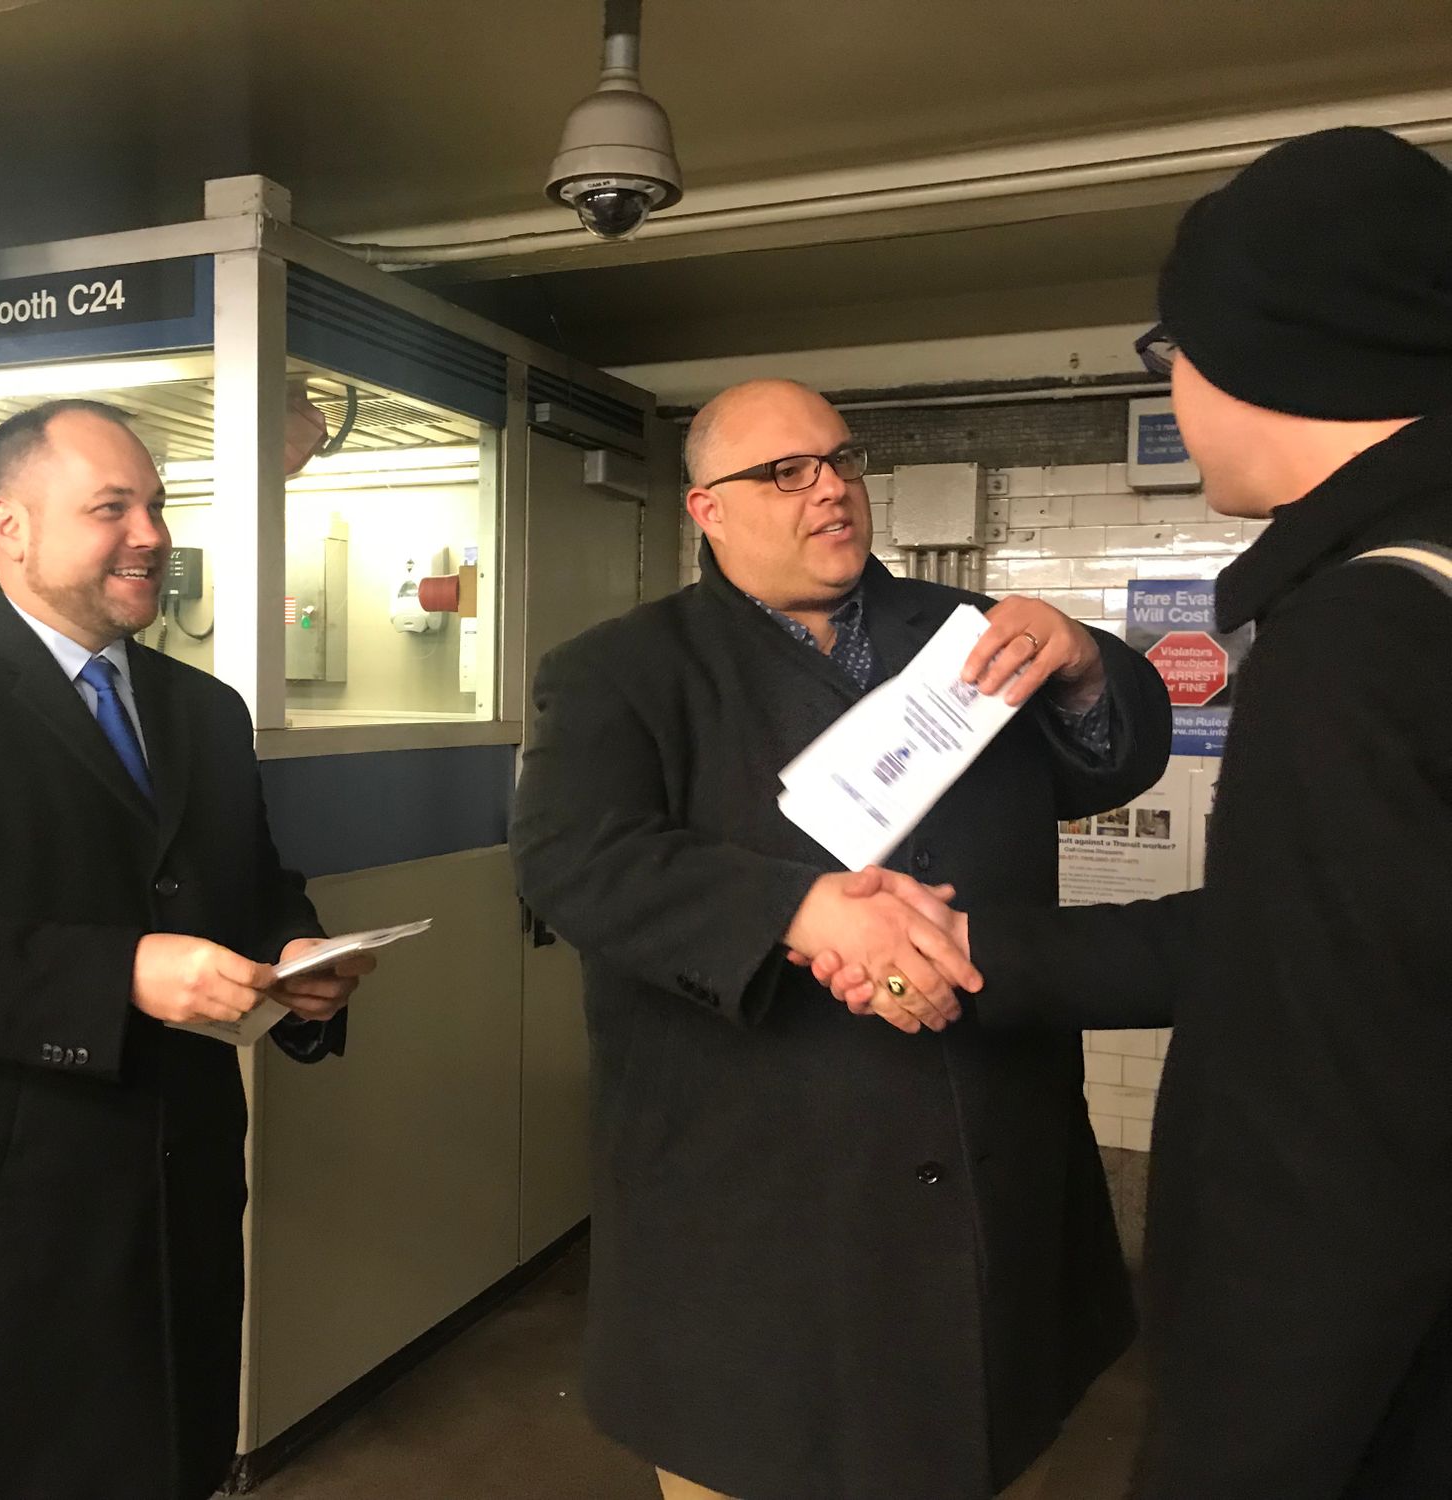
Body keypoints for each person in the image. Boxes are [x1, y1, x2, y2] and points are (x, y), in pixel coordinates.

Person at [810, 126, 1452, 1500]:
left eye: (1174, 345)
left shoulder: (1366, 629)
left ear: (1266, 352)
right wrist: (980, 952)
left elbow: (1336, 1133)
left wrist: (1238, 1453)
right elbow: (1296, 938)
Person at [509, 378, 1172, 1500]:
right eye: (784, 471)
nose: (829, 488)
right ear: (704, 511)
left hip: (986, 1159)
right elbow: (572, 862)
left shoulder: (961, 643)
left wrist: (1086, 668)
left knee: (996, 1454)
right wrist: (791, 909)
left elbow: (1107, 763)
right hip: (757, 1213)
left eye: (840, 460)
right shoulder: (620, 672)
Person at [0, 399, 372, 1500]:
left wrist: (296, 950)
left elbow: (251, 881)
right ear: (10, 529)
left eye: (154, 505)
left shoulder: (201, 709)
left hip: (178, 1183)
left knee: (163, 1453)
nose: (150, 533)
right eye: (112, 508)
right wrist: (122, 976)